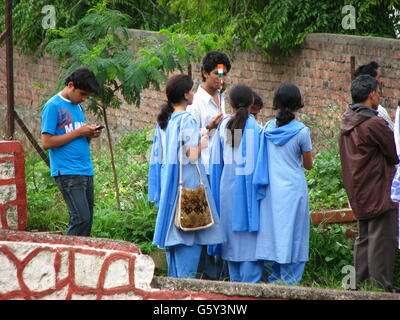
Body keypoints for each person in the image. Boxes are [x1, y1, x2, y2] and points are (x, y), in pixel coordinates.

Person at [148, 74, 224, 279]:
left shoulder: (167, 119)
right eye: (190, 90)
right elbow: (191, 154)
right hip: (189, 187)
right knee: (189, 240)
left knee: (175, 250)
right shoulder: (187, 118)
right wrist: (206, 140)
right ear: (184, 95)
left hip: (171, 189)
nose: (192, 94)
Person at [339, 74, 399, 292]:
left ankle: (360, 284)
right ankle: (381, 286)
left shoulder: (347, 120)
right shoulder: (374, 123)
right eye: (378, 92)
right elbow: (394, 154)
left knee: (364, 238)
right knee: (382, 237)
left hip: (358, 188)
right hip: (379, 186)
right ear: (372, 94)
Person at [254, 83, 313, 285]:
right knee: (294, 233)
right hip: (293, 191)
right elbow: (309, 165)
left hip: (271, 190)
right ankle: (290, 280)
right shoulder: (302, 132)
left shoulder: (267, 128)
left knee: (275, 232)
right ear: (298, 104)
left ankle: (274, 277)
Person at [209, 84, 264, 283]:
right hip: (250, 198)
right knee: (250, 250)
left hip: (227, 196)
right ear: (252, 104)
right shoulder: (258, 129)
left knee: (232, 252)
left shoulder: (224, 126)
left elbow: (217, 165)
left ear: (230, 104)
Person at [187, 50, 232, 280]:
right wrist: (210, 128)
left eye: (224, 75)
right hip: (202, 167)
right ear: (205, 73)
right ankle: (207, 273)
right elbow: (189, 141)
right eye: (216, 74)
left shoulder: (223, 97)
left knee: (219, 218)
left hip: (220, 166)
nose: (220, 79)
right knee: (205, 221)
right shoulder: (196, 103)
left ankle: (221, 271)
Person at [41, 67, 101, 237]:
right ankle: (67, 259)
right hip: (67, 171)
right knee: (80, 218)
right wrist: (79, 132)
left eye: (86, 96)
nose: (83, 99)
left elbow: (75, 137)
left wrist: (89, 134)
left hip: (85, 169)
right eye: (82, 94)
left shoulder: (78, 107)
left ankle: (81, 258)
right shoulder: (53, 106)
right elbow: (46, 142)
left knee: (87, 219)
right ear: (70, 85)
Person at [353, 61, 394, 131]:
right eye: (378, 79)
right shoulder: (379, 113)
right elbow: (392, 138)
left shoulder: (350, 114)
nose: (380, 83)